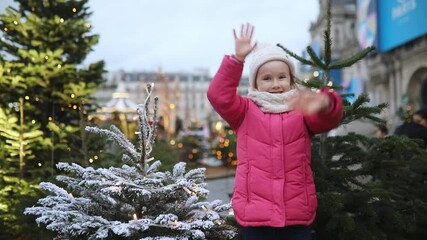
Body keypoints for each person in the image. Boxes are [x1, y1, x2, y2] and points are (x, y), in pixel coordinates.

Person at [207, 23, 343, 240]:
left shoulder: (301, 109)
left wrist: (326, 103)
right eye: (267, 78)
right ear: (255, 82)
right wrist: (237, 60)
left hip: (296, 214)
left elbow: (328, 119)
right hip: (256, 215)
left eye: (282, 77)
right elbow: (218, 95)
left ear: (290, 79)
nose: (275, 84)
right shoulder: (244, 111)